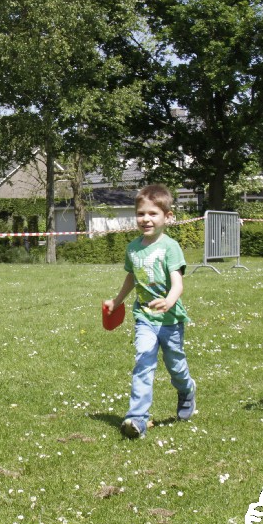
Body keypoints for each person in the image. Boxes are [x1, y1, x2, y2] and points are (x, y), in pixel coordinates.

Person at [104, 184, 197, 439]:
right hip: (144, 318)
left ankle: (186, 390)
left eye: (153, 213)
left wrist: (169, 301)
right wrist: (117, 301)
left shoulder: (170, 247)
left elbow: (178, 283)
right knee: (143, 363)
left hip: (170, 320)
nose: (146, 219)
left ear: (168, 217)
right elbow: (132, 278)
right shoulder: (133, 248)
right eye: (141, 213)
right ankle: (137, 419)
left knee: (176, 366)